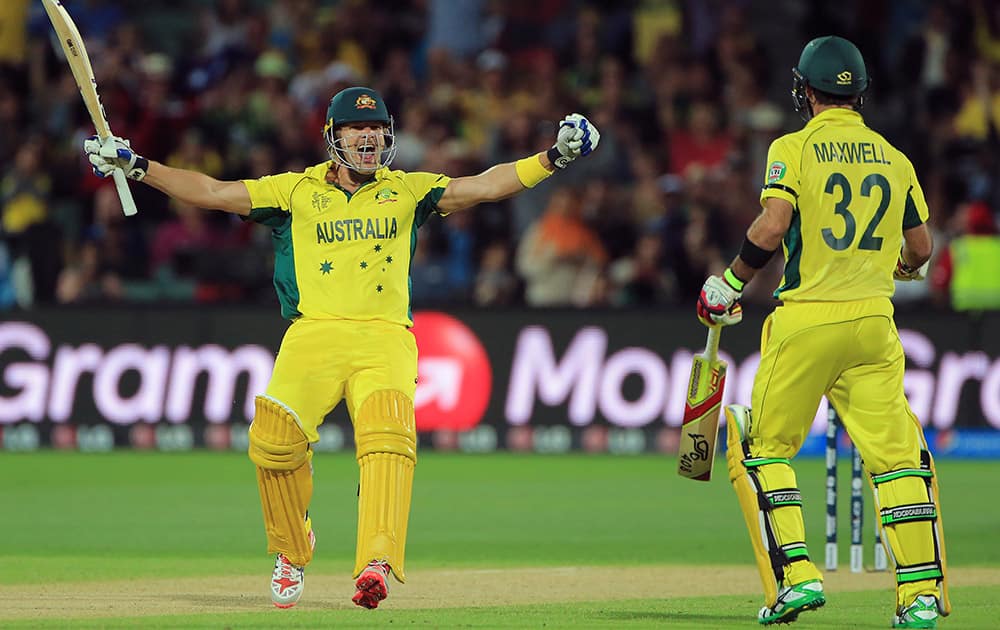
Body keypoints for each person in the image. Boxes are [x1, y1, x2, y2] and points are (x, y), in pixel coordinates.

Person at [84, 86, 600, 610]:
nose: (370, 137)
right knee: (272, 440)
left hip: (384, 336)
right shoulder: (294, 191)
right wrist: (137, 165)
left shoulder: (408, 190)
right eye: (358, 129)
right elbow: (214, 192)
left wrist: (552, 158)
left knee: (388, 442)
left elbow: (484, 186)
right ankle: (292, 546)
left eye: (377, 128)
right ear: (333, 136)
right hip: (314, 333)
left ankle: (376, 562)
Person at [695, 37, 950, 628]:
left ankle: (798, 579)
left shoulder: (793, 147)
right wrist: (898, 268)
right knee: (897, 462)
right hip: (874, 325)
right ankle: (919, 599)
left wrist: (730, 283)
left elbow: (773, 222)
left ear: (805, 90)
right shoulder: (894, 156)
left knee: (763, 448)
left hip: (806, 320)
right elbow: (920, 249)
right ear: (858, 93)